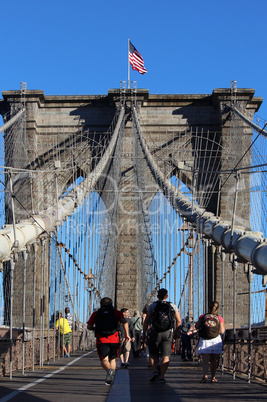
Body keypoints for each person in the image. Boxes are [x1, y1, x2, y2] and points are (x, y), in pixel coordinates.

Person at [87, 297, 130, 386]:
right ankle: (111, 375)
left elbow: (89, 327)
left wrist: (96, 328)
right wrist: (127, 334)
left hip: (101, 340)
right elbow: (124, 322)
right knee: (113, 359)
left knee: (104, 360)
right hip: (115, 339)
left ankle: (109, 371)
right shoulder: (117, 313)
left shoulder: (96, 313)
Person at [142, 288, 182, 384]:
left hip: (155, 332)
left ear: (157, 296)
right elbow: (179, 321)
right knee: (166, 355)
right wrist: (176, 332)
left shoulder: (153, 306)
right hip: (168, 333)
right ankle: (161, 376)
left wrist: (144, 333)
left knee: (152, 353)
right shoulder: (172, 306)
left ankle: (155, 371)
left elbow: (146, 321)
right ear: (167, 296)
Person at [195, 301, 225, 383]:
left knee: (205, 359)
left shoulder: (203, 316)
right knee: (213, 359)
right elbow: (222, 331)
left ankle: (205, 375)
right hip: (215, 340)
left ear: (209, 308)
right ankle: (213, 377)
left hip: (205, 339)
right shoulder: (219, 318)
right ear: (217, 309)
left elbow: (196, 326)